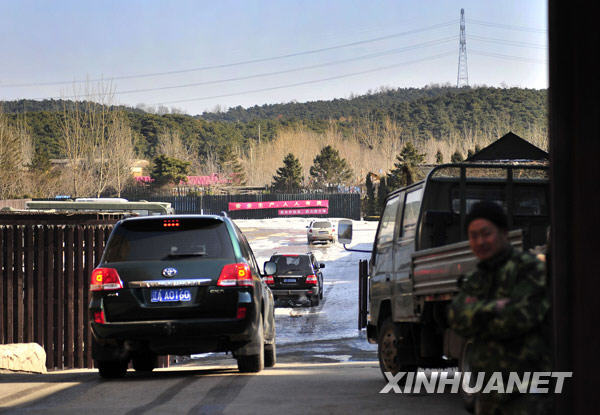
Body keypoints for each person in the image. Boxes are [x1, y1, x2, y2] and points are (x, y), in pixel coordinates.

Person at [447, 201, 551, 414]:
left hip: (527, 394)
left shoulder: (529, 268)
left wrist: (476, 311)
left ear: (504, 233)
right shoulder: (477, 278)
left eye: (486, 234)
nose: (480, 241)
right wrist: (494, 307)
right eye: (473, 236)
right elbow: (456, 318)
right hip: (488, 394)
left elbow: (518, 318)